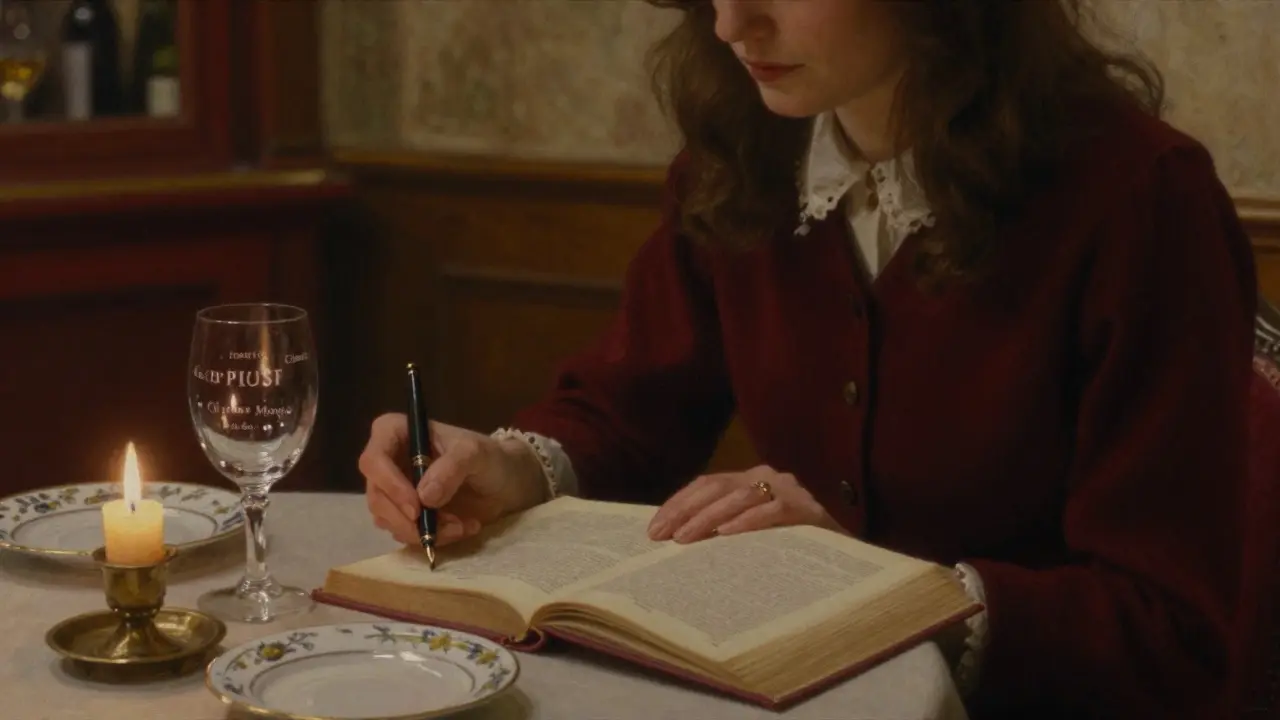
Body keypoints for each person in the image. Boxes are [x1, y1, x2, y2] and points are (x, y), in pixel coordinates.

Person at [361, 1, 1264, 717]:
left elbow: (1171, 631)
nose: (730, 22)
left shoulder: (1136, 199)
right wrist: (505, 466)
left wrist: (878, 593)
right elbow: (633, 403)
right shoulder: (744, 154)